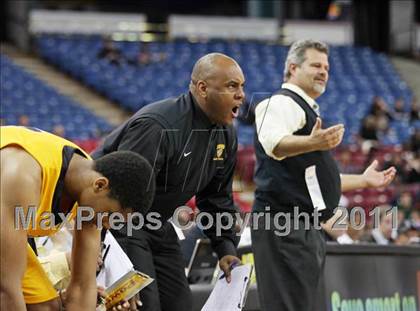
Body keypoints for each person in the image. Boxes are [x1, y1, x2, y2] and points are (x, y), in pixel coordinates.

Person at [92, 52, 245, 311]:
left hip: (157, 221)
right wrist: (95, 241)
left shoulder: (226, 134)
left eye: (242, 86)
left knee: (180, 304)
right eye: (232, 86)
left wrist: (226, 247)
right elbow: (116, 192)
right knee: (145, 304)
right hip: (120, 219)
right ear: (203, 88)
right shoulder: (158, 126)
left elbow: (216, 197)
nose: (241, 94)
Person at [252, 39, 396, 311]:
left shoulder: (304, 111)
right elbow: (273, 143)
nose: (323, 72)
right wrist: (313, 143)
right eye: (316, 65)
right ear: (292, 68)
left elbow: (313, 181)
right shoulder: (281, 102)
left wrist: (364, 181)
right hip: (285, 225)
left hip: (302, 227)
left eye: (327, 67)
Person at [0, 126, 155, 311]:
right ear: (100, 185)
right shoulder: (23, 176)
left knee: (47, 307)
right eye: (110, 216)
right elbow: (7, 288)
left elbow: (82, 287)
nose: (106, 225)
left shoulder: (90, 187)